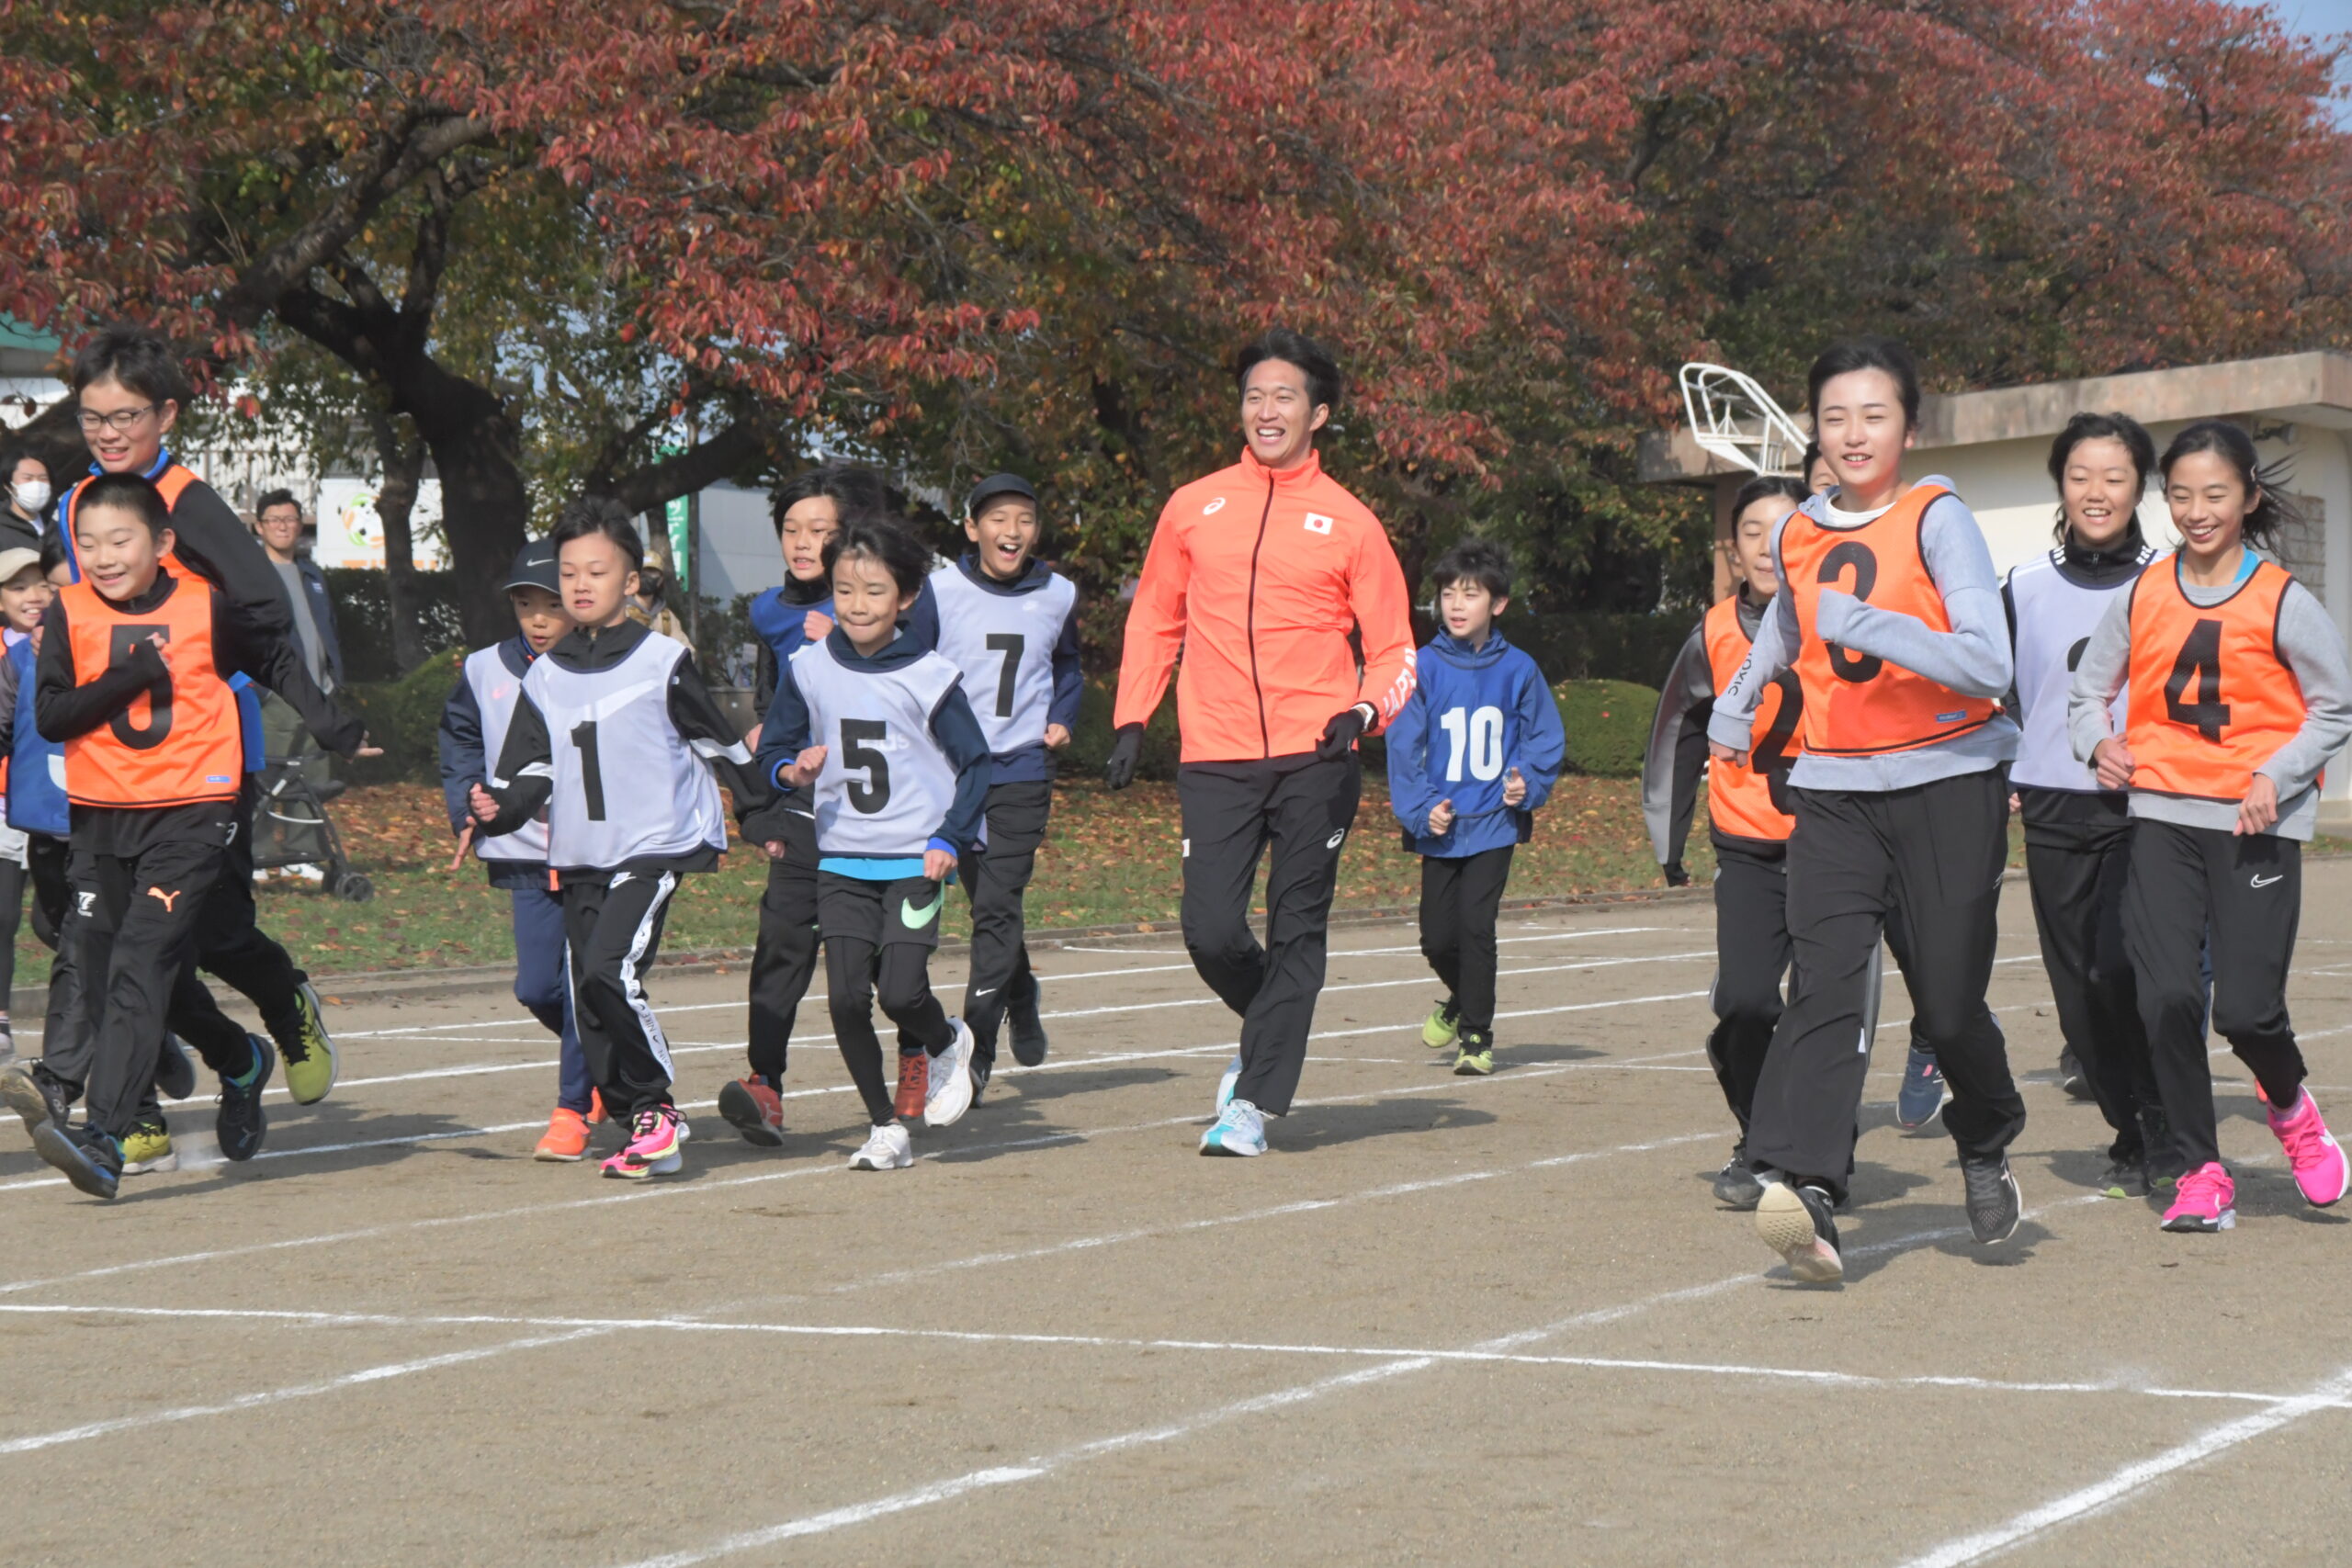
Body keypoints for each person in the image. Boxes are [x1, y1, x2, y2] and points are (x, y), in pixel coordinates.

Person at [1708, 336, 2026, 1282]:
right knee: (1826, 985)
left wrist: (1877, 628)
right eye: (1834, 417)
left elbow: (1989, 662)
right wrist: (1740, 697)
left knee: (1949, 1001)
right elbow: (1790, 624)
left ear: (1908, 428)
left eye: (1873, 415)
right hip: (1835, 787)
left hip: (1947, 781)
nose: (1852, 434)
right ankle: (1805, 1187)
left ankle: (1984, 1135)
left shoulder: (1937, 518)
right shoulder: (1801, 528)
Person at [1107, 328, 1417, 1158]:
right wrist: (1134, 716)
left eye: (1284, 396)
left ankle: (1252, 1103)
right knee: (1209, 928)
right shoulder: (1193, 506)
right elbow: (1156, 617)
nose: (1266, 409)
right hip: (1215, 751)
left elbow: (1395, 650)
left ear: (1318, 413)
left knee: (1296, 927)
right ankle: (1270, 1030)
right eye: (1254, 395)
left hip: (1318, 752)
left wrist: (1362, 713)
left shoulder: (1351, 523)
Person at [17, 474, 345, 1198]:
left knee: (142, 960)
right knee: (113, 971)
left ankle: (103, 1135)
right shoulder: (71, 612)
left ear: (163, 544)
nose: (103, 556)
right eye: (90, 542)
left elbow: (273, 653)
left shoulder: (203, 606)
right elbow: (53, 715)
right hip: (103, 817)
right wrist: (129, 678)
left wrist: (324, 716)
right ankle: (240, 1057)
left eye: (120, 540)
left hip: (195, 812)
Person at [2071, 421, 2352, 1233]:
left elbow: (2335, 705)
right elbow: (2087, 693)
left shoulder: (2282, 599)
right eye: (2181, 494)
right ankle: (2200, 1168)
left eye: (2216, 494)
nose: (2197, 510)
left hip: (2252, 825)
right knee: (2163, 997)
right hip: (2160, 817)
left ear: (2249, 497)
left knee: (2248, 1012)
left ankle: (2293, 1109)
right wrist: (2098, 743)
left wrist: (2278, 774)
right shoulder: (2144, 590)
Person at [473, 498, 766, 1181]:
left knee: (611, 970)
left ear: (630, 581)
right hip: (579, 854)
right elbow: (529, 770)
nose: (579, 585)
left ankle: (658, 1110)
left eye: (596, 572)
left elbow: (718, 741)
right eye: (569, 572)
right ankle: (640, 1121)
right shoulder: (544, 675)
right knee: (587, 995)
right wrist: (498, 807)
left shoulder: (662, 659)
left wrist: (764, 813)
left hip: (653, 845)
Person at [753, 513, 989, 1171]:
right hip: (842, 858)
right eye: (845, 590)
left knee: (902, 992)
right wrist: (791, 770)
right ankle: (886, 1126)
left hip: (916, 857)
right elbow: (774, 748)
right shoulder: (807, 667)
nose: (857, 605)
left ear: (907, 597)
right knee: (846, 996)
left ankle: (946, 1040)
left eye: (875, 591)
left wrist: (951, 835)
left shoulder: (932, 674)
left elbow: (977, 764)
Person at [2006, 413, 2166, 1198]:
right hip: (2049, 804)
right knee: (2077, 999)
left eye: (2115, 476)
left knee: (2118, 970)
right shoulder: (2021, 584)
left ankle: (2161, 1124)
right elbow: (1995, 690)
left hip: (2146, 804)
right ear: (2060, 484)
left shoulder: (2171, 579)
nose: (2096, 492)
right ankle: (2131, 1125)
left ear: (2141, 486)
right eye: (2080, 476)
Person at [721, 463, 889, 1146]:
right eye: (791, 528)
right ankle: (766, 1085)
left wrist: (849, 641)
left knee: (878, 966)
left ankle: (919, 1057)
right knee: (780, 948)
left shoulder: (884, 604)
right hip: (801, 805)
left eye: (818, 529)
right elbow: (767, 708)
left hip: (875, 812)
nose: (802, 541)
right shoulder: (767, 611)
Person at [440, 537, 599, 1161]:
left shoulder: (601, 665)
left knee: (587, 982)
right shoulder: (484, 668)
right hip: (524, 852)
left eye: (552, 604)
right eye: (526, 603)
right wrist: (467, 808)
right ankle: (606, 1050)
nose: (538, 617)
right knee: (537, 987)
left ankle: (572, 1107)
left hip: (596, 855)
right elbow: (459, 736)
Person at [926, 472, 1080, 1094]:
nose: (1011, 531)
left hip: (1021, 769)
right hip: (955, 776)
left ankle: (977, 1049)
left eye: (1023, 518)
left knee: (996, 907)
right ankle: (1021, 987)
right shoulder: (938, 592)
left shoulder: (1059, 593)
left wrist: (1063, 718)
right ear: (972, 528)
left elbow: (1067, 663)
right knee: (987, 905)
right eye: (997, 518)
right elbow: (909, 667)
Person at [1386, 538, 1564, 1077]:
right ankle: (1462, 998)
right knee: (1436, 937)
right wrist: (1420, 810)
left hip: (1493, 824)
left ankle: (1477, 1035)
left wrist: (1525, 785)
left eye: (1470, 594)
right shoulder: (1423, 667)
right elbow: (1402, 746)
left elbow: (1544, 737)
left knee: (1475, 925)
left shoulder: (1520, 669)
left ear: (1499, 603)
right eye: (1447, 595)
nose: (1457, 605)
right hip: (1442, 826)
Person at [249, 488, 342, 819]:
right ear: (259, 527)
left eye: (289, 519)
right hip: (276, 696)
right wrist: (260, 690)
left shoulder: (312, 575)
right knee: (265, 778)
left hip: (319, 693)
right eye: (274, 520)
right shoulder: (250, 576)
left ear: (300, 525)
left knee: (313, 778)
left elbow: (327, 628)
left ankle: (305, 850)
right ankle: (257, 857)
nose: (282, 526)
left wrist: (334, 678)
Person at [0, 547, 51, 1060]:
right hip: (4, 803)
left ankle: (146, 1011)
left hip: (69, 805)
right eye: (17, 587)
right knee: (0, 916)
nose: (33, 596)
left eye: (42, 584)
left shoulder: (78, 642)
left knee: (53, 924)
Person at [2, 450, 51, 554]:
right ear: (8, 485)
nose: (37, 485)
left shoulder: (57, 522)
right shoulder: (3, 532)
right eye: (28, 478)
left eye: (43, 478)